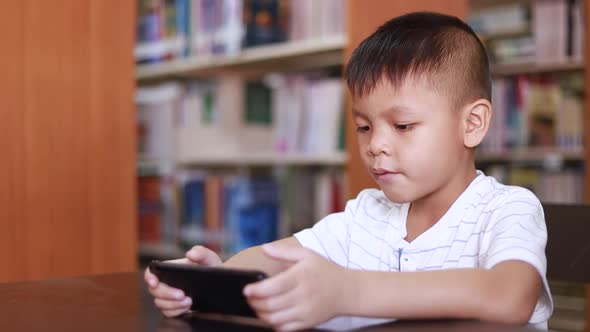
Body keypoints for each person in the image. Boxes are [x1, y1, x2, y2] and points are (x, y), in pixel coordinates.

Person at [144, 12, 552, 331]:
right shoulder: (367, 214)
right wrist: (216, 279)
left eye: (403, 126)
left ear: (473, 124)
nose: (375, 144)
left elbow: (509, 297)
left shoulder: (507, 209)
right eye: (363, 127)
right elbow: (280, 257)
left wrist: (348, 291)